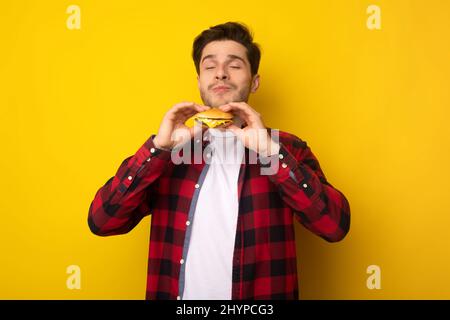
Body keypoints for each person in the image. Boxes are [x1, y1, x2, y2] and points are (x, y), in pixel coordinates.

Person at [88, 21, 350, 300]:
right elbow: (103, 221)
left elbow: (333, 226)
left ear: (255, 81)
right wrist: (158, 149)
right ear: (199, 80)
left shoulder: (286, 149)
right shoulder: (172, 152)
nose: (221, 74)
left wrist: (270, 153)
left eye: (235, 65)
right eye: (210, 66)